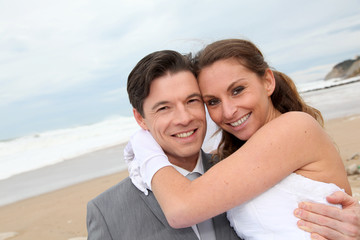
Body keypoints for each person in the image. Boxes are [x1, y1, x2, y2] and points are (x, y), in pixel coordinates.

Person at [126, 39, 360, 239]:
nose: (228, 111)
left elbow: (181, 208)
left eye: (237, 90)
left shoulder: (295, 127)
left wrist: (143, 143)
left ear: (267, 81)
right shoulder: (238, 158)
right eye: (213, 102)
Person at [87, 50, 241, 240]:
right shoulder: (106, 212)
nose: (184, 118)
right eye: (164, 108)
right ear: (140, 119)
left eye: (192, 101)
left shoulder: (240, 171)